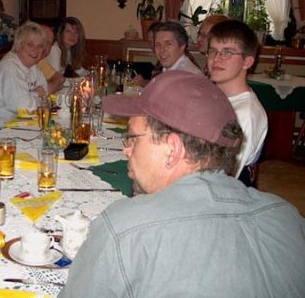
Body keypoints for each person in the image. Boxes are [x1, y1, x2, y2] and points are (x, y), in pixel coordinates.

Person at [60, 71, 305, 297]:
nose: (126, 150)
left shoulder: (125, 228)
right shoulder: (288, 216)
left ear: (172, 150)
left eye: (132, 138)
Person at [206, 20, 268, 185]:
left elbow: (226, 178)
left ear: (247, 62)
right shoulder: (214, 96)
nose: (216, 59)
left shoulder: (244, 114)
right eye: (212, 51)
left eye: (227, 52)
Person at [0, 21, 48, 129]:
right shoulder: (9, 68)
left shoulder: (33, 67)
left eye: (40, 46)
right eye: (30, 44)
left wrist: (33, 96)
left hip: (21, 124)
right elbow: (24, 108)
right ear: (19, 45)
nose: (35, 50)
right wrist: (37, 94)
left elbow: (45, 95)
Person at [36, 24, 65, 94]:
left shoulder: (40, 61)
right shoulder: (13, 64)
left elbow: (61, 79)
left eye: (49, 43)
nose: (45, 46)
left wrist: (44, 89)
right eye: (43, 41)